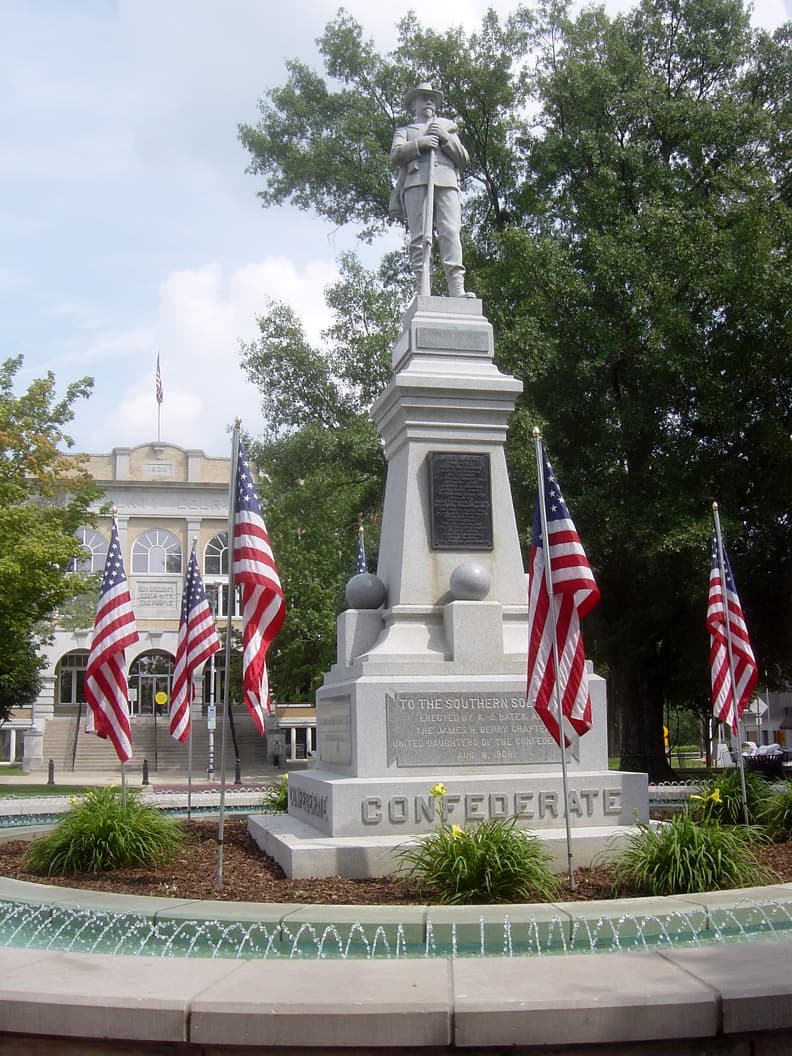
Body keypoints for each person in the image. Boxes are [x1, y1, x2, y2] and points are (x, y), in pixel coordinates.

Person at [390, 83, 472, 298]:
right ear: (413, 104)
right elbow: (395, 155)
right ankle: (422, 288)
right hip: (416, 182)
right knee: (420, 237)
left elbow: (463, 159)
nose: (428, 102)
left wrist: (444, 138)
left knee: (451, 233)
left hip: (446, 182)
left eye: (431, 99)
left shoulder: (447, 128)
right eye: (423, 98)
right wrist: (420, 144)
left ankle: (457, 288)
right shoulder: (405, 131)